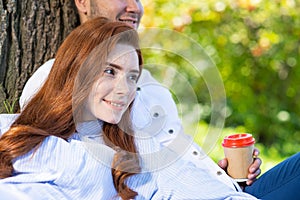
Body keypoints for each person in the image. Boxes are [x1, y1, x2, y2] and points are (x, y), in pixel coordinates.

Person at [0, 17, 260, 199]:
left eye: (132, 77)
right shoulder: (12, 131)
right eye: (110, 71)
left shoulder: (132, 152)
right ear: (75, 72)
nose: (125, 90)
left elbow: (189, 185)